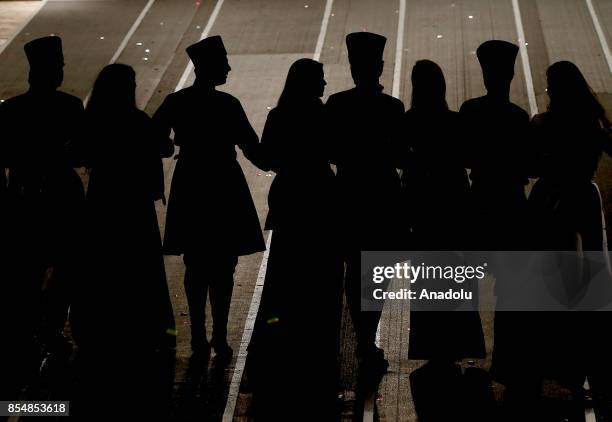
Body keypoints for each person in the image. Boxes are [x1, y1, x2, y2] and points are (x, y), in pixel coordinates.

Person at [153, 35, 266, 360]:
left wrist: (171, 147)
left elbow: (155, 138)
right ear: (211, 67)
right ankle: (218, 335)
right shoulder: (228, 104)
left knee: (195, 261)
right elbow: (251, 146)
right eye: (224, 62)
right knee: (224, 262)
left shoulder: (177, 102)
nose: (229, 66)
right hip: (224, 182)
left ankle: (200, 336)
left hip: (191, 181)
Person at [248, 58, 344, 421]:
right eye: (320, 79)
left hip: (290, 199)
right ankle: (317, 353)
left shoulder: (280, 114)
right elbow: (336, 152)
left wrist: (248, 147)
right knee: (322, 279)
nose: (324, 84)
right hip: (320, 198)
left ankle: (281, 350)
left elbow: (267, 157)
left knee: (286, 277)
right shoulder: (322, 114)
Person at [70, 63, 175, 352]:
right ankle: (144, 326)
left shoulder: (93, 120)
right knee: (140, 267)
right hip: (134, 202)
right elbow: (165, 147)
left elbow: (77, 154)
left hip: (103, 199)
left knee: (101, 266)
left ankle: (99, 326)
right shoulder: (137, 120)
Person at [528, 61, 612, 407]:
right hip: (583, 199)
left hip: (551, 201)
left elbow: (531, 164)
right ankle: (587, 357)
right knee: (590, 281)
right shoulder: (591, 122)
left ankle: (555, 357)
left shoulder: (543, 123)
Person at [459, 40, 535, 419]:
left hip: (480, 200)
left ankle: (466, 347)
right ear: (510, 75)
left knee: (468, 278)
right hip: (510, 204)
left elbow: (464, 154)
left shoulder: (470, 111)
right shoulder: (520, 117)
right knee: (511, 289)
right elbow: (531, 164)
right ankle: (508, 359)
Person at [325, 32, 405, 376]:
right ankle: (367, 338)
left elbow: (327, 150)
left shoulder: (337, 104)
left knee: (353, 268)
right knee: (378, 271)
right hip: (383, 194)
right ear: (380, 67)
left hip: (348, 192)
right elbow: (402, 155)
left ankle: (362, 335)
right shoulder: (392, 107)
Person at [0, 36, 85, 359]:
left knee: (27, 269)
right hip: (62, 195)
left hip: (24, 197)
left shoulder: (12, 109)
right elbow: (82, 152)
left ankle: (28, 329)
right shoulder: (70, 106)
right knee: (65, 267)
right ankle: (50, 327)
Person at [399, 60, 485, 363]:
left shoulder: (409, 120)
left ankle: (431, 345)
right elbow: (471, 157)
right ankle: (460, 343)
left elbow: (400, 159)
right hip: (453, 203)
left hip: (423, 205)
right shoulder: (455, 120)